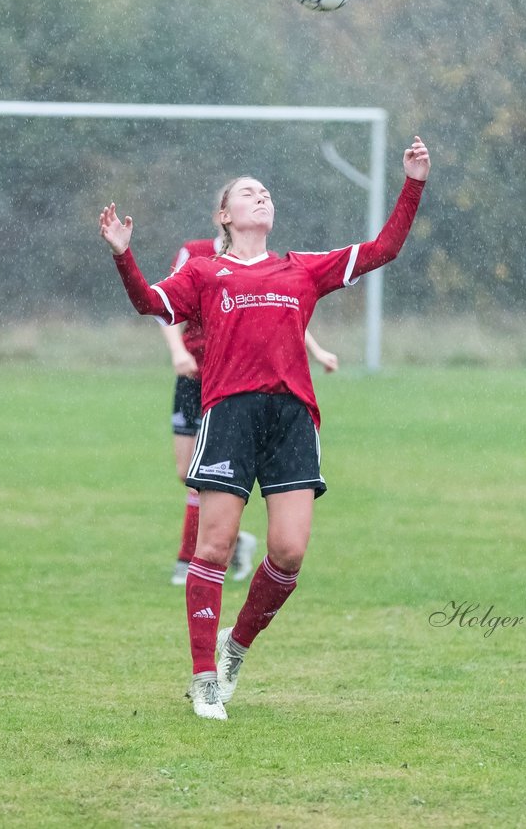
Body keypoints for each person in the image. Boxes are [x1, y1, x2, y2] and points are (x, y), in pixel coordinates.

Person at [100, 136, 430, 720]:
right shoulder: (205, 272)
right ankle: (203, 679)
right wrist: (124, 255)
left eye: (267, 193)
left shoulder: (299, 268)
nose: (262, 197)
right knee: (215, 546)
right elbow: (149, 304)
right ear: (225, 215)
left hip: (291, 419)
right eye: (248, 193)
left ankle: (234, 650)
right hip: (227, 414)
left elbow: (383, 249)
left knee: (289, 551)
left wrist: (413, 184)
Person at [162, 219, 339, 587]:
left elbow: (286, 314)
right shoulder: (195, 254)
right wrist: (178, 351)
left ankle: (198, 553)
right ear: (221, 216)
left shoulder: (268, 262)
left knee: (208, 479)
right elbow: (165, 305)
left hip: (237, 385)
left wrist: (318, 350)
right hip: (195, 376)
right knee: (187, 472)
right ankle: (233, 541)